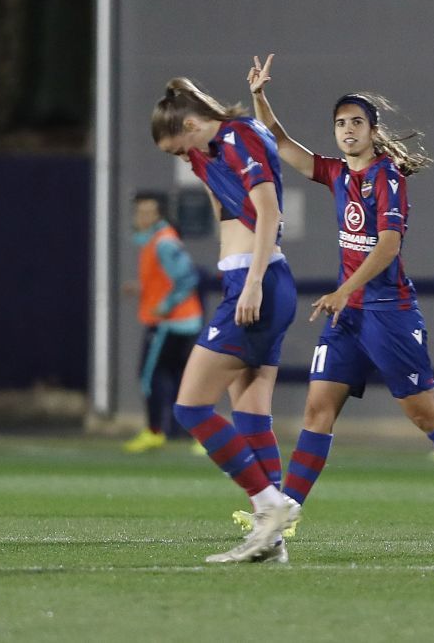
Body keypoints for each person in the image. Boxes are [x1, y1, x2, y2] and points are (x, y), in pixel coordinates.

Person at [236, 54, 434, 539]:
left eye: (356, 121)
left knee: (425, 414)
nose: (347, 129)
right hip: (348, 316)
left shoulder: (388, 178)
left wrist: (343, 288)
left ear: (374, 129)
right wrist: (260, 96)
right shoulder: (337, 173)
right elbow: (280, 143)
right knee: (318, 409)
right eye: (340, 123)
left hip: (389, 314)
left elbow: (388, 245)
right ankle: (286, 513)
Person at [151, 77, 300, 563]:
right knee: (252, 417)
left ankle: (269, 504)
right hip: (259, 284)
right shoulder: (209, 149)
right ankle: (270, 541)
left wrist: (252, 282)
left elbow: (270, 209)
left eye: (179, 147)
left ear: (193, 125)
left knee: (190, 408)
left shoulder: (239, 138)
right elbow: (224, 200)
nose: (182, 157)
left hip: (259, 285)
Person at [122, 192, 204, 454]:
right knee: (184, 379)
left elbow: (188, 277)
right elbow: (168, 278)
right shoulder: (156, 241)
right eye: (140, 212)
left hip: (170, 323)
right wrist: (142, 288)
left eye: (148, 212)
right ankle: (199, 434)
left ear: (160, 214)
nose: (142, 217)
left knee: (150, 376)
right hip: (183, 322)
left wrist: (166, 305)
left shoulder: (164, 242)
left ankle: (154, 431)